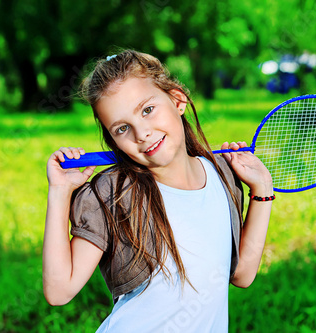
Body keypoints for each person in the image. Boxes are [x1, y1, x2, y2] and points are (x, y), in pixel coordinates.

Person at [42, 50, 274, 332]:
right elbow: (59, 291)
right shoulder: (115, 193)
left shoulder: (223, 176)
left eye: (147, 110)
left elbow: (243, 274)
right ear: (112, 140)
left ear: (177, 100)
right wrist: (59, 191)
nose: (141, 134)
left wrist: (262, 190)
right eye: (122, 128)